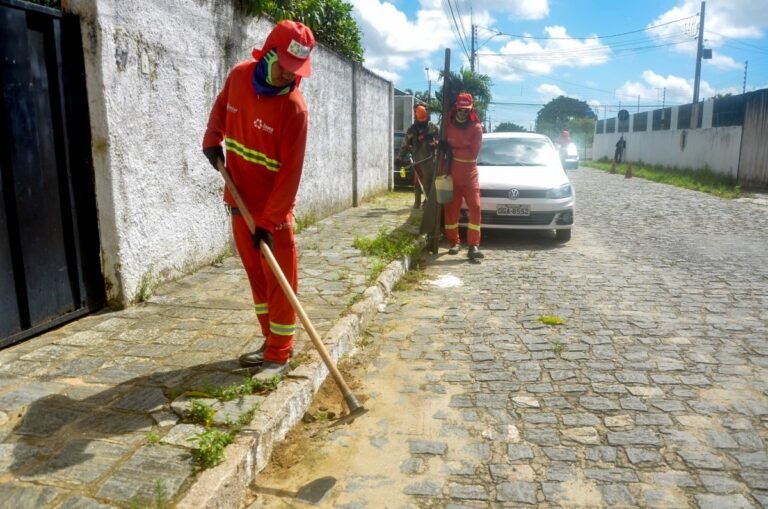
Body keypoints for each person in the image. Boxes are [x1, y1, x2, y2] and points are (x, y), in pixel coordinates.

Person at [202, 20, 315, 381]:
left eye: (295, 69)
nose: (288, 75)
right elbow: (222, 106)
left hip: (272, 212)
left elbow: (290, 176)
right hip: (238, 201)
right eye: (284, 65)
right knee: (258, 279)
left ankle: (280, 355)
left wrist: (269, 221)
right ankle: (269, 342)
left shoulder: (294, 110)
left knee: (281, 282)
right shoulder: (238, 77)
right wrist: (212, 137)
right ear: (268, 52)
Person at [441, 92, 484, 261]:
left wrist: (452, 149)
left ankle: (473, 244)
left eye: (466, 110)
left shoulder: (476, 128)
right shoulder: (447, 125)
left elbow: (473, 152)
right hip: (451, 174)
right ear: (456, 108)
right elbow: (442, 146)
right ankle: (454, 242)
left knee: (476, 207)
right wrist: (443, 147)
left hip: (469, 176)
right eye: (461, 110)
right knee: (451, 210)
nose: (463, 113)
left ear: (470, 110)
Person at [396, 104, 439, 208]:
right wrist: (399, 158)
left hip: (430, 160)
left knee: (427, 182)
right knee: (417, 182)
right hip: (417, 161)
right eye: (420, 120)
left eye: (424, 119)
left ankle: (428, 202)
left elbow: (441, 140)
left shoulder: (433, 128)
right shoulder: (412, 130)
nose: (422, 122)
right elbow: (405, 145)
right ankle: (417, 202)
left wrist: (436, 144)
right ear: (416, 118)